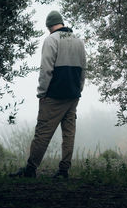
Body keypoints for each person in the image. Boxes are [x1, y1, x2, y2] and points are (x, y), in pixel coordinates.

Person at [10, 10, 86, 179]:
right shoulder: (79, 41)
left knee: (43, 132)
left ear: (49, 26)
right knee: (69, 133)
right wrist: (78, 91)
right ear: (62, 23)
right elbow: (83, 70)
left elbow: (46, 69)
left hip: (54, 96)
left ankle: (30, 169)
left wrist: (42, 93)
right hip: (73, 95)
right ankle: (64, 170)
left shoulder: (51, 40)